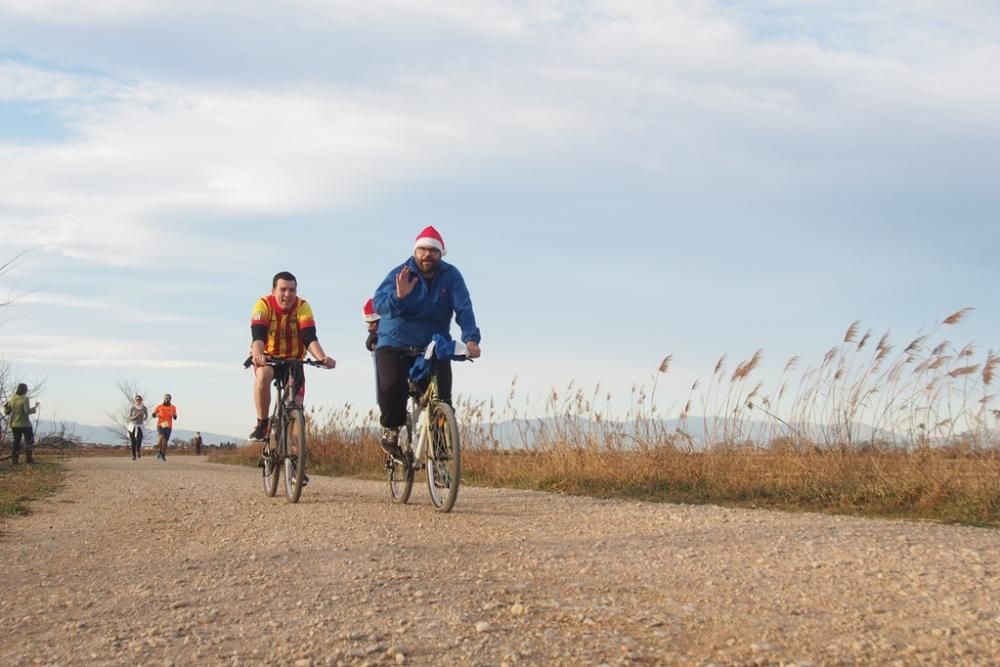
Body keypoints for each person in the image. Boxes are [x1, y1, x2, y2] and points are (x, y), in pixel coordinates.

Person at [371, 226, 481, 459]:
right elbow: (379, 305)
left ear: (441, 254)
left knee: (442, 400)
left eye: (433, 250)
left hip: (432, 345)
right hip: (394, 342)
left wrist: (471, 339)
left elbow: (464, 308)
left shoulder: (451, 276)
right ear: (415, 251)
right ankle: (391, 430)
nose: (427, 255)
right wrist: (398, 297)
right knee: (392, 386)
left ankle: (440, 460)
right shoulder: (400, 274)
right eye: (422, 250)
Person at [248, 271, 337, 442]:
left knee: (296, 407)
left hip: (294, 360)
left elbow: (309, 338)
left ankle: (293, 456)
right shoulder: (263, 305)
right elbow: (258, 336)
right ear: (273, 290)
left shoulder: (303, 306)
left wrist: (323, 358)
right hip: (268, 357)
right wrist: (258, 355)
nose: (287, 295)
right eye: (283, 290)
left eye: (292, 290)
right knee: (263, 375)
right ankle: (262, 423)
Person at [3, 383, 38, 464]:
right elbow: (27, 411)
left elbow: (6, 410)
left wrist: (10, 410)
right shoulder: (25, 399)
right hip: (25, 424)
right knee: (29, 441)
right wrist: (35, 408)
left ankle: (14, 460)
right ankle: (28, 459)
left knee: (16, 442)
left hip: (14, 424)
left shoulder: (12, 399)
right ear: (25, 390)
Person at [151, 394, 177, 461]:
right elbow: (153, 414)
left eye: (168, 398)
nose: (167, 399)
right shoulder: (159, 406)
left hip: (168, 425)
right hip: (161, 424)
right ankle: (160, 451)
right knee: (160, 438)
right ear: (164, 398)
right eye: (165, 397)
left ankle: (162, 454)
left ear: (170, 399)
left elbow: (175, 416)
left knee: (165, 441)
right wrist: (155, 414)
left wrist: (174, 416)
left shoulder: (173, 407)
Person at [127, 395, 148, 460]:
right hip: (132, 426)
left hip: (140, 426)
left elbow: (146, 415)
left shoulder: (144, 408)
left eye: (139, 399)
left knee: (139, 439)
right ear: (135, 400)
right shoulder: (132, 408)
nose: (138, 401)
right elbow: (129, 418)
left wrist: (145, 417)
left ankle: (138, 451)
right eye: (137, 399)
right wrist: (136, 416)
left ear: (141, 400)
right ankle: (134, 455)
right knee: (133, 441)